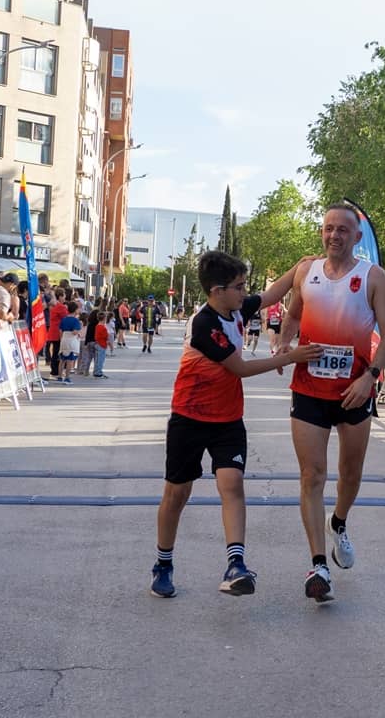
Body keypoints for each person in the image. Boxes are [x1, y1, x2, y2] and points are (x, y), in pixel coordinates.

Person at [150, 251, 322, 600]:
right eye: (239, 287)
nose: (246, 293)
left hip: (228, 419)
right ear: (217, 291)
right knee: (177, 494)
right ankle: (163, 564)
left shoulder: (236, 308)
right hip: (189, 417)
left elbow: (271, 295)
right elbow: (240, 369)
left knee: (232, 484)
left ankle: (236, 565)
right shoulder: (205, 324)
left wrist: (300, 266)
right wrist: (291, 357)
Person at [277, 202, 385, 603]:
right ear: (321, 232)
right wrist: (284, 341)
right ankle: (318, 565)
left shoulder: (372, 276)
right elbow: (293, 315)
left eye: (343, 229)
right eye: (329, 228)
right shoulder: (306, 271)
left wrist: (370, 377)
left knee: (350, 473)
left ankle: (339, 522)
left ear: (357, 236)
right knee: (312, 476)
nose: (334, 235)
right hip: (309, 388)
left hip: (354, 391)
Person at [58, 301, 83, 384]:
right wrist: (79, 329)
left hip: (64, 339)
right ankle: (67, 378)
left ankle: (60, 376)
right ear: (75, 310)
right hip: (71, 341)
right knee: (70, 360)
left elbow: (60, 331)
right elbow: (75, 332)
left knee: (62, 360)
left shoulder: (64, 319)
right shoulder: (76, 321)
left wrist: (62, 338)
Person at [47, 289, 68, 377]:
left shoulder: (54, 306)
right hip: (58, 332)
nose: (65, 298)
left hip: (53, 331)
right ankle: (56, 370)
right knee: (58, 351)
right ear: (60, 297)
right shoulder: (61, 307)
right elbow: (66, 318)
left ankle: (54, 369)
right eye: (64, 296)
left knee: (55, 351)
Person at [92, 311, 110, 378]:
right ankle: (98, 372)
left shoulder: (97, 326)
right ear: (104, 319)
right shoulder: (102, 327)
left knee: (97, 359)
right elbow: (106, 336)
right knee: (100, 359)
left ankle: (96, 371)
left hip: (98, 343)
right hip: (101, 344)